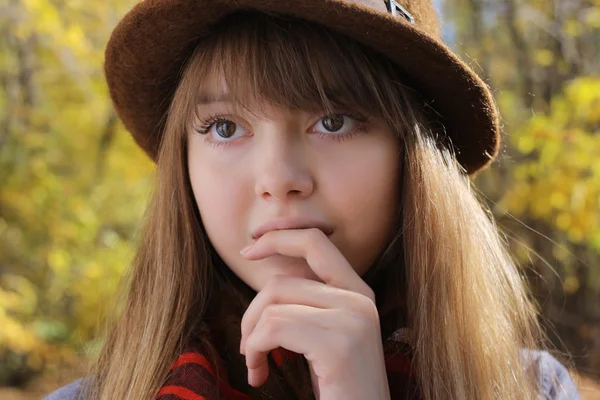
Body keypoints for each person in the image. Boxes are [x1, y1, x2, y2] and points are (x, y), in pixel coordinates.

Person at [43, 0, 581, 399]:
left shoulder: (531, 389)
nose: (278, 179)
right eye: (225, 126)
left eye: (334, 120)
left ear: (411, 158)